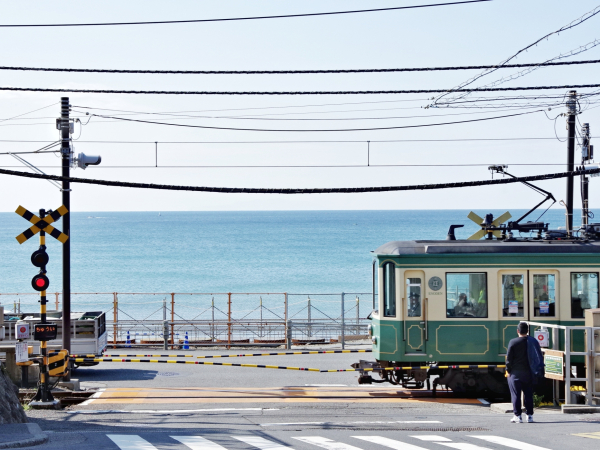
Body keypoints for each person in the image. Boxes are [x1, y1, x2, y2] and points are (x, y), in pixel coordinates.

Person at [506, 322, 542, 423]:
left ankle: (517, 416)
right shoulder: (533, 341)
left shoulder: (513, 342)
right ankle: (530, 416)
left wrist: (508, 370)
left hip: (515, 373)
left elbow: (509, 359)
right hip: (529, 373)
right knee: (528, 394)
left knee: (515, 395)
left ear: (518, 331)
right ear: (528, 331)